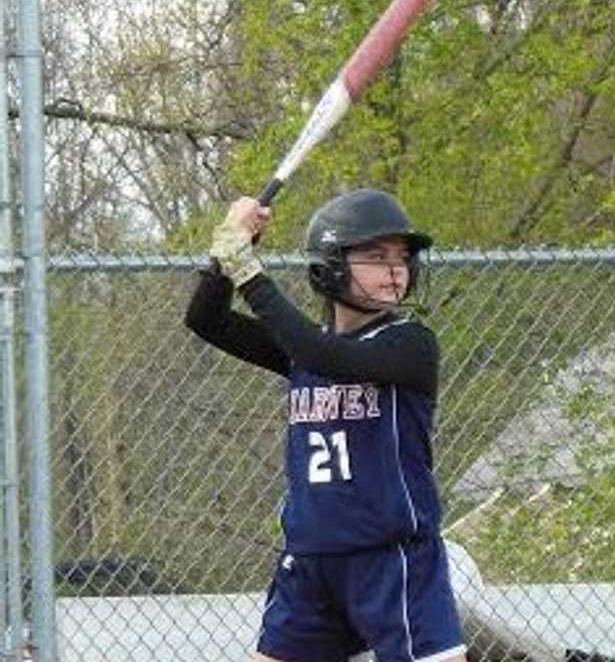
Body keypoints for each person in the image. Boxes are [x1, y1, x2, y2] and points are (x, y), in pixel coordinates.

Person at [185, 187, 467, 662]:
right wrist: (228, 254)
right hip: (312, 563)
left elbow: (327, 355)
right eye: (375, 256)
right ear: (330, 266)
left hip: (392, 559)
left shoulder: (409, 344)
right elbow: (205, 319)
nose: (395, 269)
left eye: (401, 257)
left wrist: (249, 274)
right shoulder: (303, 346)